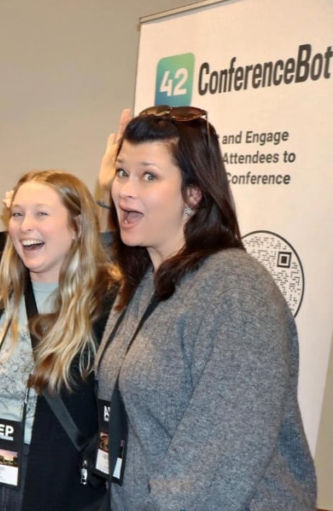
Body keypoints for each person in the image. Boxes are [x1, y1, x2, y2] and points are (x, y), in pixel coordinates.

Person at [96, 106, 316, 509]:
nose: (125, 189)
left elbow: (213, 469)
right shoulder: (147, 279)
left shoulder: (234, 289)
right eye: (122, 172)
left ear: (193, 194)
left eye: (149, 175)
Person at [0, 170, 117, 510]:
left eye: (41, 213)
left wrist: (110, 193)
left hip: (57, 487)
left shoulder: (107, 306)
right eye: (17, 214)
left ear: (77, 226)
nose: (24, 225)